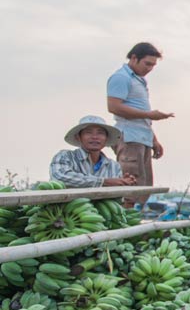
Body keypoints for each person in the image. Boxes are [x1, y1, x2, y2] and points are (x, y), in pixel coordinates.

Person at [106, 42, 174, 206]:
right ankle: (125, 222)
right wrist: (150, 115)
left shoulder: (139, 80)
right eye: (147, 64)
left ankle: (135, 220)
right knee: (130, 184)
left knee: (144, 185)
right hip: (129, 137)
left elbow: (142, 114)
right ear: (134, 58)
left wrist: (154, 139)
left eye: (153, 65)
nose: (149, 69)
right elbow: (114, 107)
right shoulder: (121, 77)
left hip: (142, 137)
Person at [50, 115, 137, 188]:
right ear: (78, 137)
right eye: (88, 132)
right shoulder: (65, 156)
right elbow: (60, 176)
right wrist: (104, 182)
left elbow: (116, 195)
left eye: (100, 133)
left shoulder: (113, 166)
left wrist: (124, 183)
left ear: (106, 138)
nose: (95, 137)